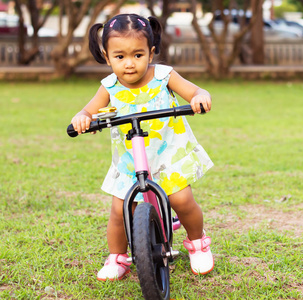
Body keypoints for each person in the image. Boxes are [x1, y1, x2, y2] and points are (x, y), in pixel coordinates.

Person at [70, 13, 214, 281]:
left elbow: (195, 91)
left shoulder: (163, 76)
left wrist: (200, 97)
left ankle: (197, 242)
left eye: (138, 55)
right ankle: (117, 256)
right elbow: (88, 111)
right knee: (120, 210)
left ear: (151, 51)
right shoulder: (108, 87)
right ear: (106, 54)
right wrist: (82, 118)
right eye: (120, 56)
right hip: (129, 163)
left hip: (168, 156)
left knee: (182, 200)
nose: (129, 64)